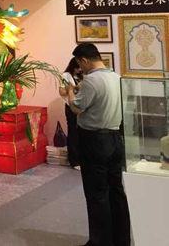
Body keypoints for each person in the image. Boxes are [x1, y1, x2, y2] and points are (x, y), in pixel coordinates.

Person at [66, 43, 130, 246]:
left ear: (84, 60)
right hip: (115, 139)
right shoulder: (116, 77)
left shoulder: (91, 81)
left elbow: (76, 108)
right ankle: (120, 239)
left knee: (97, 193)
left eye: (80, 63)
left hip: (94, 141)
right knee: (116, 191)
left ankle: (100, 242)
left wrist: (70, 91)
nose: (80, 68)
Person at [58, 58, 83, 170]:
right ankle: (74, 161)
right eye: (78, 67)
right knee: (73, 133)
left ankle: (82, 158)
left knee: (82, 133)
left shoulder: (82, 75)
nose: (80, 69)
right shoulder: (65, 76)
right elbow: (62, 91)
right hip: (71, 106)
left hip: (81, 106)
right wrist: (74, 89)